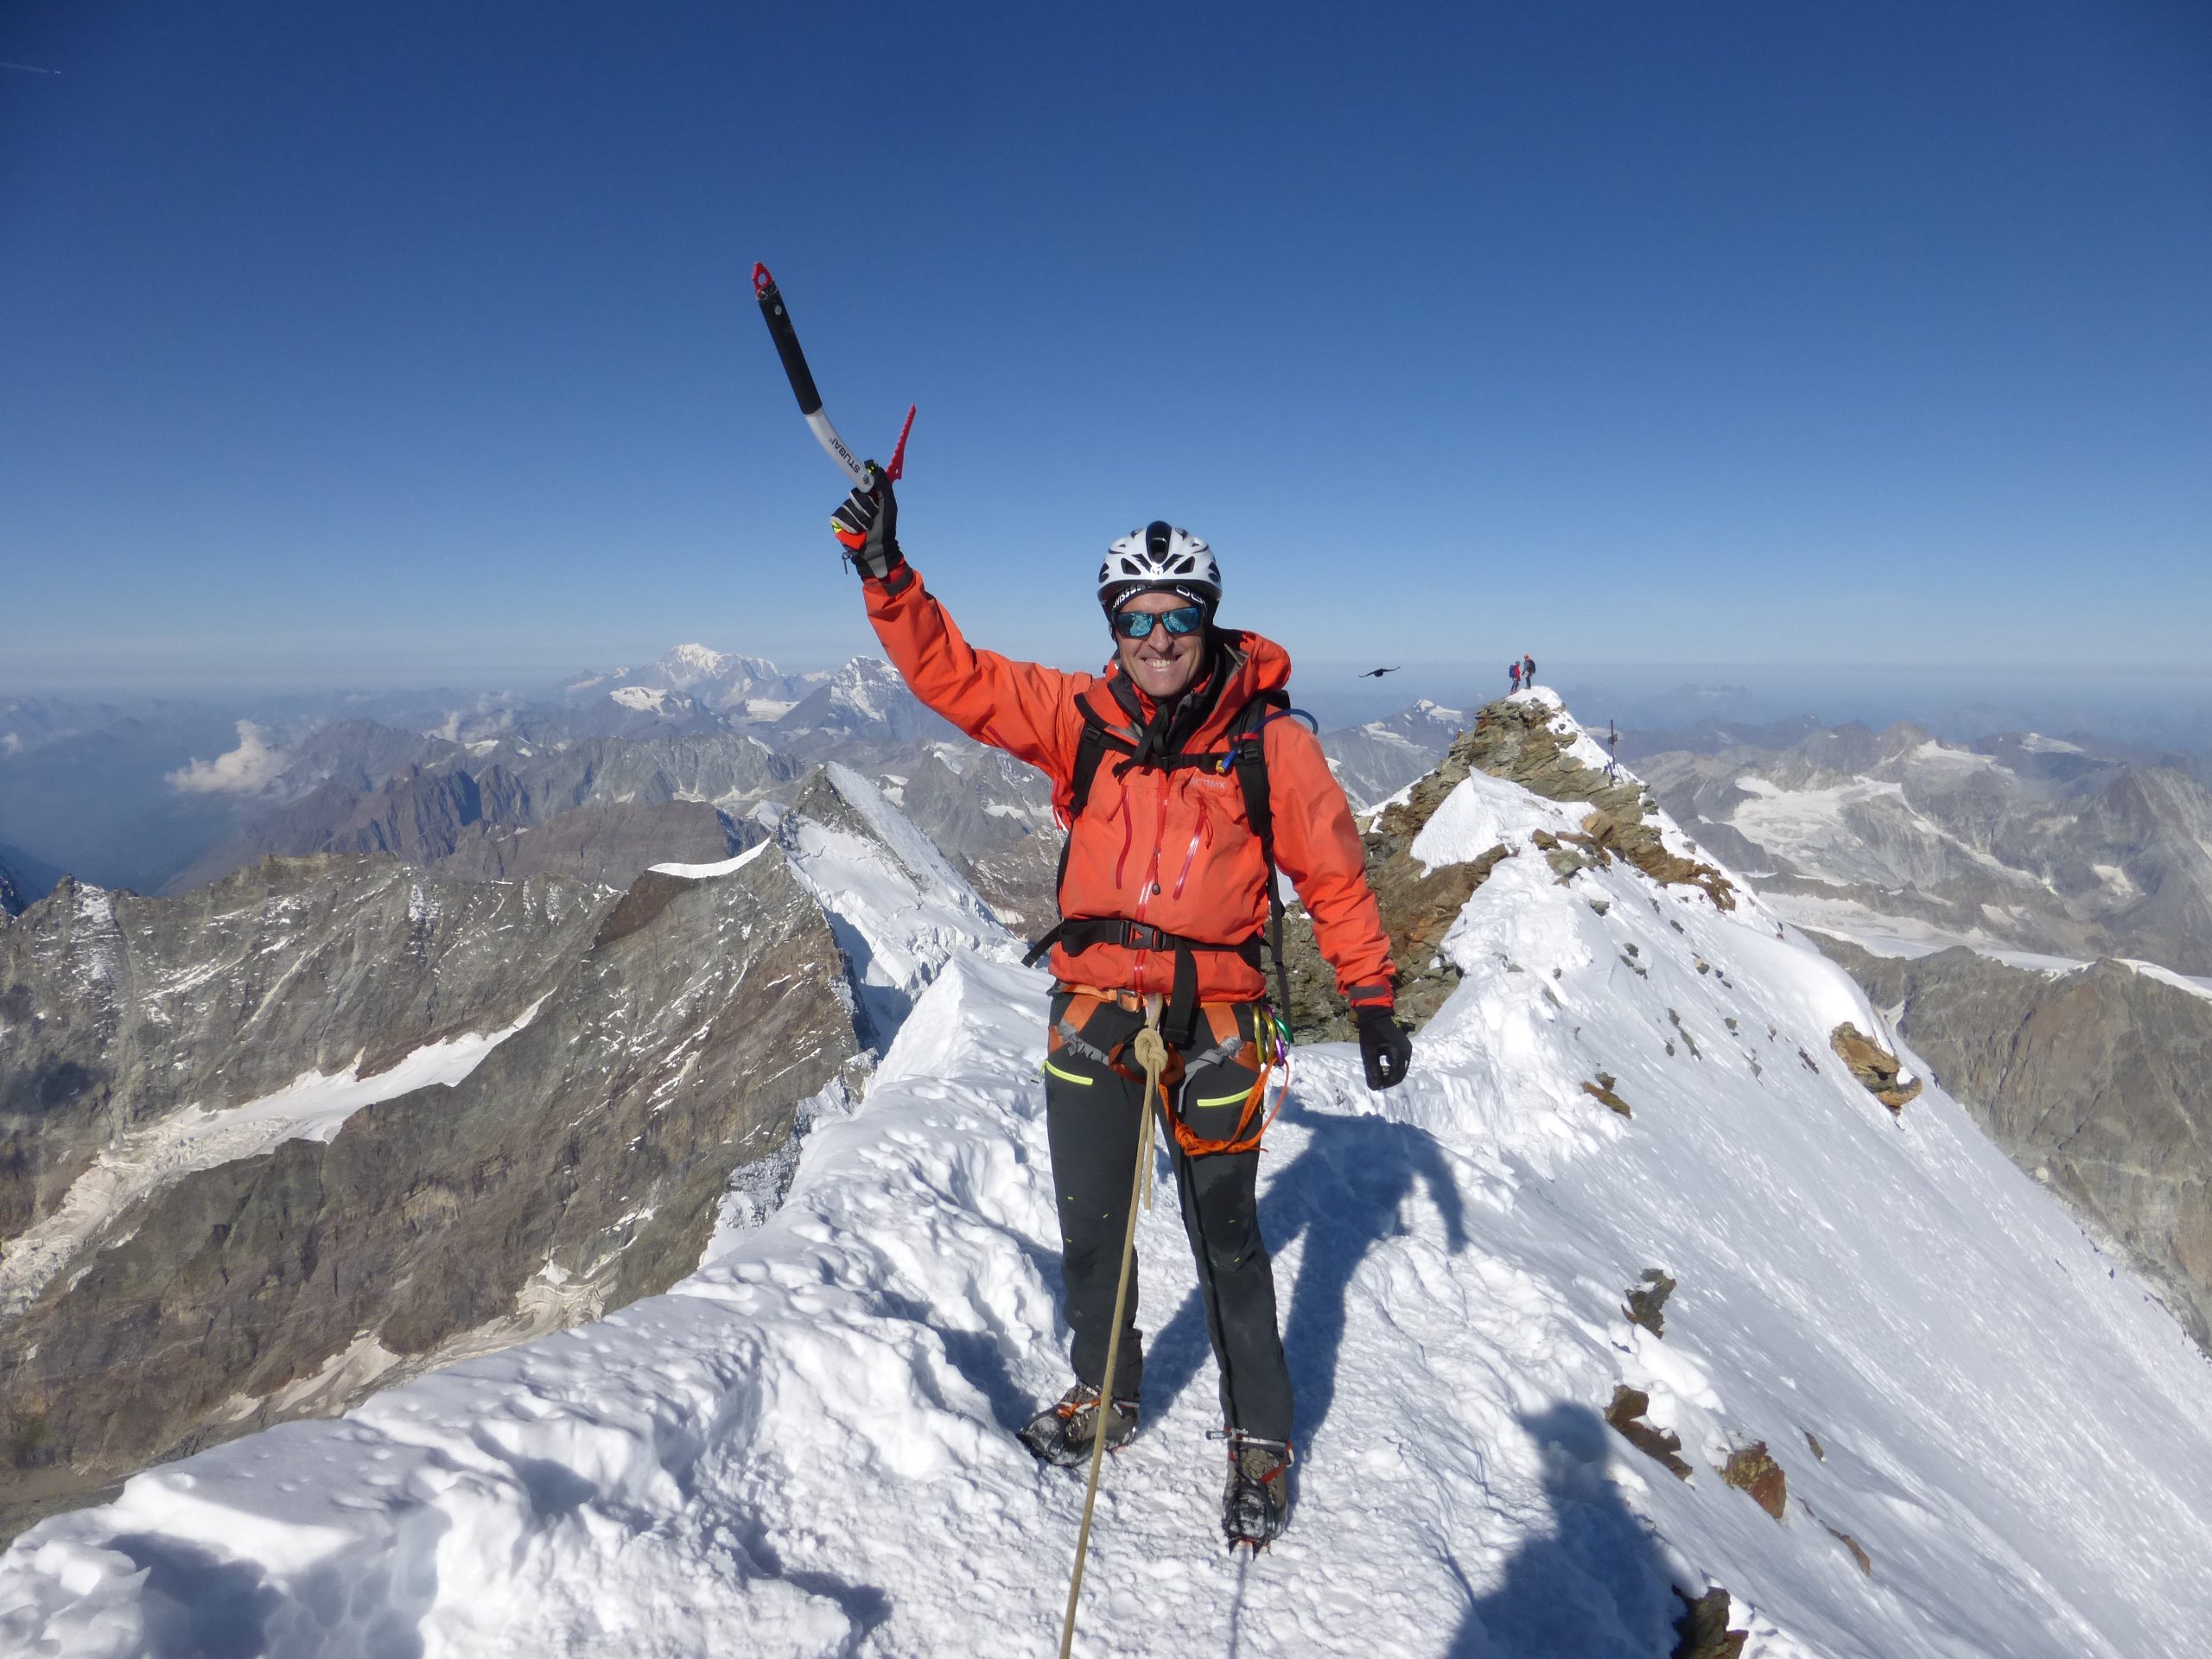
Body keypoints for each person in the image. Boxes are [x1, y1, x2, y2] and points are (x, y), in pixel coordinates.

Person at [830, 477, 1411, 1548]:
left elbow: (1331, 874)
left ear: (1207, 619)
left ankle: (1261, 1439)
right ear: (1113, 628)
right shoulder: (1078, 720)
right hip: (1096, 1011)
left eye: (1176, 616)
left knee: (1226, 1237)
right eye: (1134, 619)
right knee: (1092, 1230)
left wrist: (1369, 996)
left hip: (1220, 1025)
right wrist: (885, 573)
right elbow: (954, 678)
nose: (1156, 637)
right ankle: (1107, 1396)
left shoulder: (1270, 745)